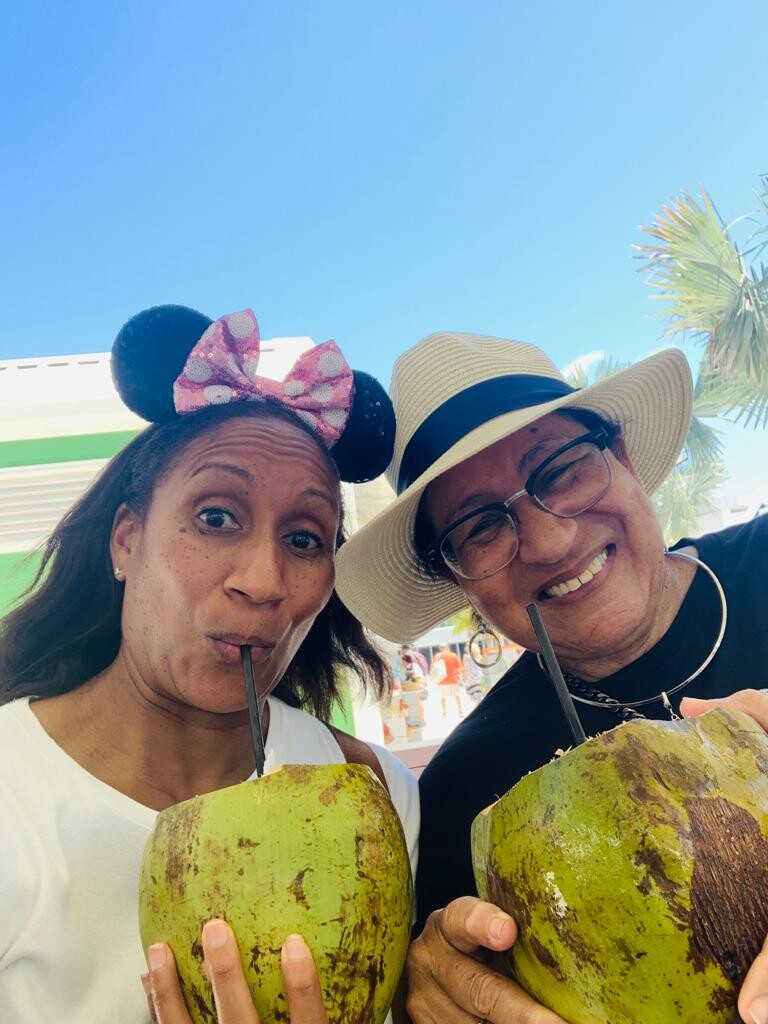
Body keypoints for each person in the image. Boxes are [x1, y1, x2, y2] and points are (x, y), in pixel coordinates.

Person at [334, 328, 768, 1024]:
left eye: (560, 470)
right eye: (481, 527)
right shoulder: (468, 792)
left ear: (620, 455)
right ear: (458, 580)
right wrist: (432, 999)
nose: (549, 540)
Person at [0, 305, 419, 1024]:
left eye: (304, 538)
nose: (263, 581)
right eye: (216, 517)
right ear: (126, 541)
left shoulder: (374, 789)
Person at [430, 643, 464, 718]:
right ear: (448, 647)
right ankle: (460, 711)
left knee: (443, 697)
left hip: (442, 680)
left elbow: (432, 668)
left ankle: (444, 713)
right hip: (453, 679)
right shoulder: (453, 655)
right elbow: (459, 668)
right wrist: (461, 678)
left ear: (440, 648)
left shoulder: (437, 656)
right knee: (457, 696)